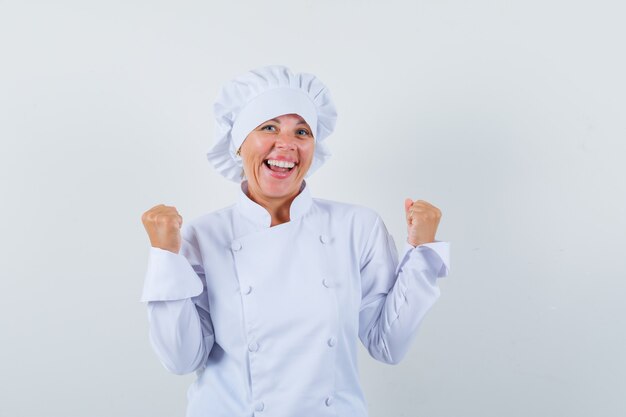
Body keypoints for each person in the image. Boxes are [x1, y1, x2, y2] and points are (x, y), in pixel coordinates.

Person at [140, 65, 450, 417]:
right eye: (268, 127)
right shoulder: (203, 235)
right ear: (239, 144)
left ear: (314, 147)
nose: (286, 144)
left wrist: (422, 254)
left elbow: (387, 344)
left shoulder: (357, 227)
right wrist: (165, 256)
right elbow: (181, 359)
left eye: (301, 131)